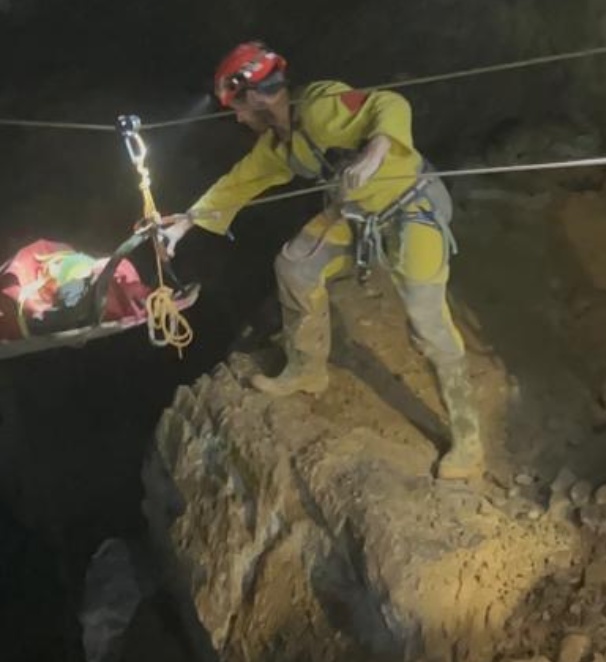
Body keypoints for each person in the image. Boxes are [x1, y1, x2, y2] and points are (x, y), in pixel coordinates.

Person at [162, 42, 483, 480]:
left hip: (410, 208)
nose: (237, 118)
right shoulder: (283, 143)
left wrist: (376, 152)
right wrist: (186, 223)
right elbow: (239, 182)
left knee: (426, 321)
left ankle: (469, 440)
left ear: (256, 96)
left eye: (236, 107)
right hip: (355, 215)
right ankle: (307, 367)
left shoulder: (321, 104)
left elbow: (388, 103)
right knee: (295, 265)